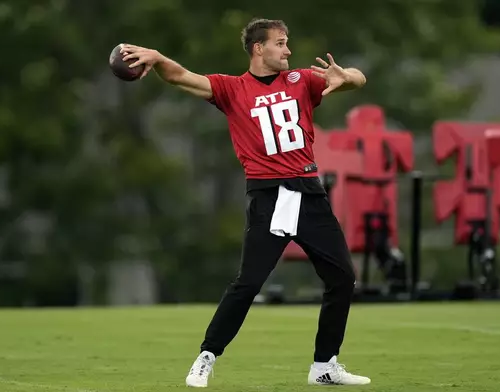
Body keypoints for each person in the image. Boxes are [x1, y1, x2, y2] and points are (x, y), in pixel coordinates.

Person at [120, 18, 370, 388]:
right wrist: (157, 58)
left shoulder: (301, 80)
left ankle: (324, 366)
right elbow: (181, 77)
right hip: (269, 195)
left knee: (342, 277)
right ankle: (206, 356)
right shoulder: (232, 89)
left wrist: (345, 75)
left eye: (287, 43)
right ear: (259, 48)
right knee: (248, 283)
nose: (287, 50)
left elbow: (358, 79)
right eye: (280, 43)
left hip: (308, 192)